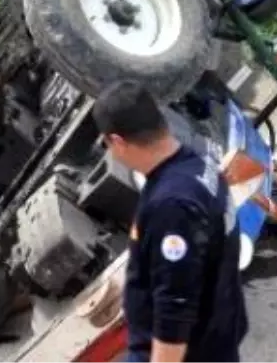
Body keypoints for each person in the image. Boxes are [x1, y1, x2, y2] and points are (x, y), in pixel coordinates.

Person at [92, 81, 247, 363]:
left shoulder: (172, 206)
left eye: (107, 145)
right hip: (217, 332)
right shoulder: (198, 162)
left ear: (117, 141)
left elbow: (176, 305)